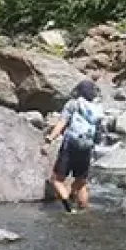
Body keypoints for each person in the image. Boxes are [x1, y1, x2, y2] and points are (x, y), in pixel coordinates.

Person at [46, 78, 103, 212]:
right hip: (86, 148)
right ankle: (84, 212)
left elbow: (62, 123)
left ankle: (69, 208)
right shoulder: (96, 108)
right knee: (81, 183)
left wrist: (49, 139)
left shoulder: (73, 104)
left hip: (70, 146)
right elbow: (98, 133)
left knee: (57, 180)